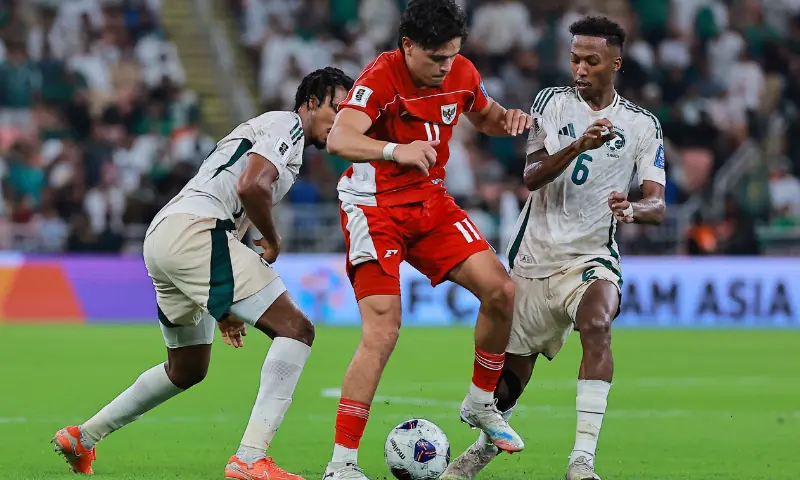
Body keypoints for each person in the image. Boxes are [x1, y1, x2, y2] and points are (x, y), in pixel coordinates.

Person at [51, 67, 354, 480]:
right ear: (311, 102)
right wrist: (274, 239)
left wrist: (224, 306)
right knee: (297, 330)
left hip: (167, 236)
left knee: (187, 368)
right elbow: (251, 186)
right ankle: (250, 458)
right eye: (337, 108)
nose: (341, 119)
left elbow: (236, 203)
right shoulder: (288, 125)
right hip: (198, 231)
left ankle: (83, 437)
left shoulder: (273, 136)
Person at [443, 16, 667, 480]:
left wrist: (633, 208)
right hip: (533, 258)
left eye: (592, 61)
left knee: (598, 323)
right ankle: (479, 454)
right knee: (507, 388)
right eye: (575, 59)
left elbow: (658, 204)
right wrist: (579, 145)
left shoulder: (642, 125)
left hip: (591, 256)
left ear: (615, 64)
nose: (580, 69)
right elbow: (531, 176)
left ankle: (581, 461)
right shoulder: (552, 102)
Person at [322, 1, 532, 478]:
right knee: (383, 331)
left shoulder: (461, 71)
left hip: (431, 203)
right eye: (436, 57)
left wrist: (512, 121)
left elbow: (487, 116)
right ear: (407, 46)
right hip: (374, 208)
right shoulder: (380, 78)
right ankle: (342, 464)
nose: (444, 67)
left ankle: (481, 402)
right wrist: (394, 150)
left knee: (501, 290)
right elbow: (339, 139)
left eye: (451, 55)